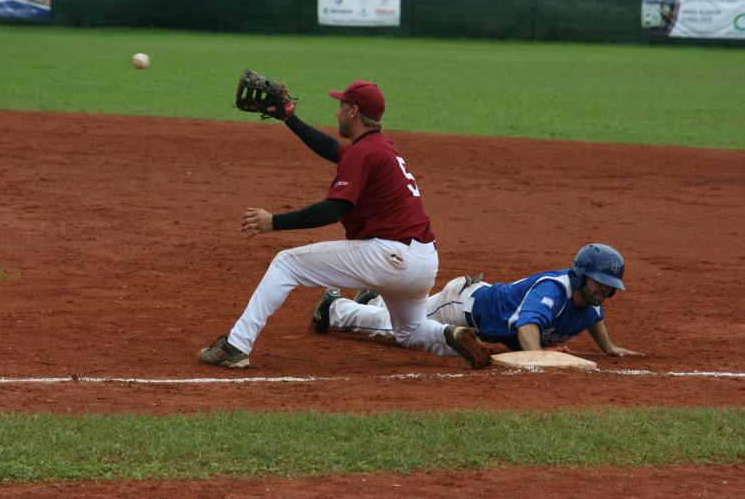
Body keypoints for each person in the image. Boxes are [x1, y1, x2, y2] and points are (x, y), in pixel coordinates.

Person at [198, 79, 489, 369]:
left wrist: (274, 221)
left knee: (286, 264)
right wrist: (289, 118)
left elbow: (334, 209)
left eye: (341, 107)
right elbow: (333, 149)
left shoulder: (364, 152)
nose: (336, 113)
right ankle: (453, 336)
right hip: (423, 261)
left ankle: (236, 346)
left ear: (353, 112)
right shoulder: (380, 146)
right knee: (410, 331)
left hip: (389, 256)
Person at [316, 244, 643, 358]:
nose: (605, 292)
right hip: (463, 308)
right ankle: (333, 308)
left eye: (610, 288)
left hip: (478, 314)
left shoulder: (592, 299)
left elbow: (595, 316)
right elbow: (529, 326)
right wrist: (540, 359)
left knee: (408, 319)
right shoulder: (554, 291)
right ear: (582, 276)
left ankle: (373, 300)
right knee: (405, 332)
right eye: (601, 284)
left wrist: (609, 348)